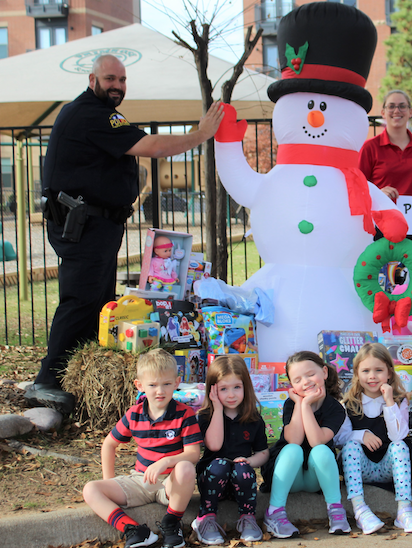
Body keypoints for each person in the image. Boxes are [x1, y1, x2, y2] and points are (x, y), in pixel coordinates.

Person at [25, 54, 224, 414]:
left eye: (122, 79)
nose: (117, 85)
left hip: (98, 224)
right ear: (92, 79)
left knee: (99, 299)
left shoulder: (104, 114)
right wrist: (201, 134)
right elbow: (154, 148)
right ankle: (47, 380)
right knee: (82, 298)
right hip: (83, 224)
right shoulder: (89, 113)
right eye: (110, 78)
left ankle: (73, 376)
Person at [82, 349, 202, 548]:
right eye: (152, 385)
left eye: (166, 384)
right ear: (140, 385)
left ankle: (171, 524)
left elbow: (193, 454)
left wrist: (165, 462)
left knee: (186, 467)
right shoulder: (134, 414)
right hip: (141, 480)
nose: (160, 391)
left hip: (171, 485)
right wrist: (109, 481)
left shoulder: (185, 414)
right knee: (90, 489)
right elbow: (109, 444)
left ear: (177, 383)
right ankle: (135, 530)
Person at [337, 343, 412, 534]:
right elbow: (340, 438)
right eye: (366, 370)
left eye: (378, 370)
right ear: (357, 374)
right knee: (350, 446)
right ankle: (360, 511)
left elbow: (397, 436)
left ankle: (404, 511)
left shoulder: (400, 401)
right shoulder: (349, 404)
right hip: (361, 469)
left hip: (388, 468)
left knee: (401, 446)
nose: (372, 376)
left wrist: (389, 402)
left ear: (389, 374)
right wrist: (361, 435)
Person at [261, 351, 349, 538]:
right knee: (292, 449)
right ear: (291, 385)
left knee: (322, 451)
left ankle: (336, 510)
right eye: (298, 379)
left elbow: (317, 440)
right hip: (287, 476)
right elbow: (294, 439)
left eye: (311, 374)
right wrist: (301, 405)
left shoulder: (335, 408)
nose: (306, 382)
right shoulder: (291, 404)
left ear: (324, 372)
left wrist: (307, 405)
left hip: (314, 477)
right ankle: (274, 512)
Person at [191, 356, 270, 545]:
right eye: (223, 389)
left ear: (246, 386)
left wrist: (250, 461)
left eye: (237, 387)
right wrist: (217, 409)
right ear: (212, 389)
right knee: (219, 464)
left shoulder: (253, 418)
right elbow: (214, 446)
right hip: (212, 480)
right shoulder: (205, 416)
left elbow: (263, 453)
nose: (231, 395)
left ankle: (247, 519)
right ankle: (206, 518)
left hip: (239, 485)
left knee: (243, 470)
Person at [358, 90, 412, 258]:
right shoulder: (370, 147)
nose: (397, 111)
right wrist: (378, 194)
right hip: (382, 227)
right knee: (381, 282)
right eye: (391, 106)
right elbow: (357, 187)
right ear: (383, 113)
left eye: (402, 106)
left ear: (411, 112)